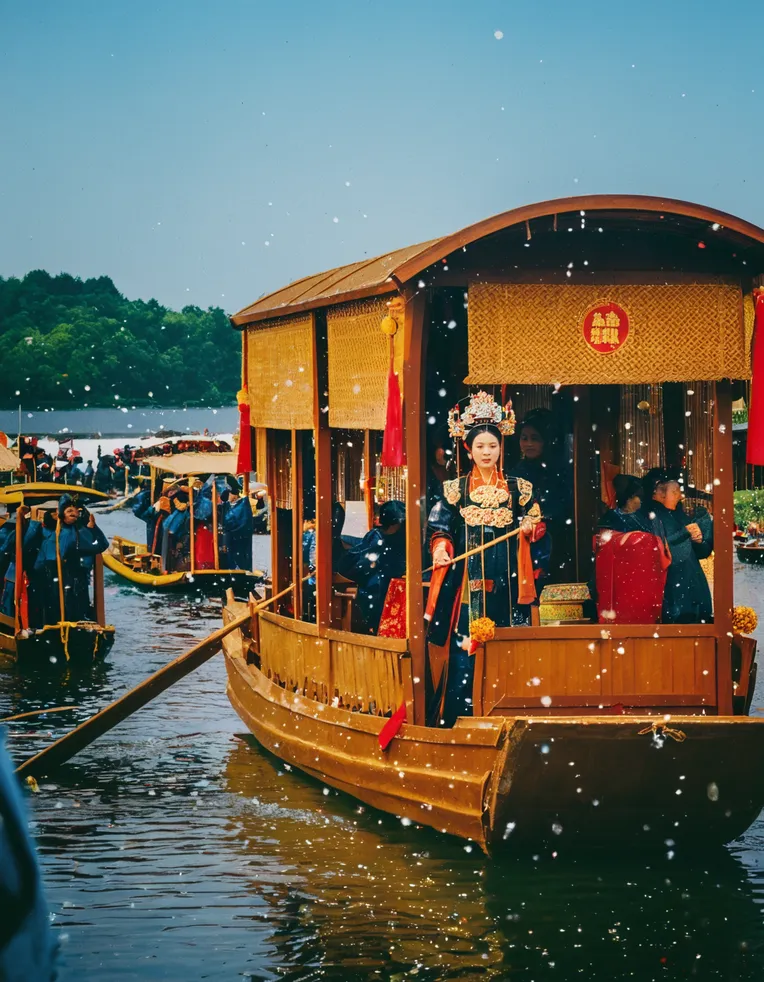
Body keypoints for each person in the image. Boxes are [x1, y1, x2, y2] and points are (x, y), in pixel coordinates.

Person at [426, 420, 545, 725]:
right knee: (467, 645)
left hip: (508, 580)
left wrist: (530, 529)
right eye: (480, 446)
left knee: (505, 643)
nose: (487, 452)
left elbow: (539, 524)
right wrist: (441, 549)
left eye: (493, 445)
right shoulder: (455, 490)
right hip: (469, 582)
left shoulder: (518, 488)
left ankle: (506, 712)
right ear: (468, 449)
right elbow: (439, 529)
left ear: (501, 448)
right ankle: (462, 716)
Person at [643, 469, 713, 624]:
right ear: (659, 494)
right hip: (673, 587)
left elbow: (701, 552)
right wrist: (684, 533)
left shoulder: (678, 514)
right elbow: (658, 547)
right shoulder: (651, 516)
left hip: (690, 583)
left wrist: (699, 540)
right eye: (674, 492)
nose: (679, 496)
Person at [26, 497, 109, 624]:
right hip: (50, 578)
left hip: (70, 579)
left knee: (69, 606)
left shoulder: (78, 533)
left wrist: (93, 528)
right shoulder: (47, 532)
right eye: (69, 510)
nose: (73, 513)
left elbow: (101, 545)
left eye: (75, 511)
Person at [512, 409, 573, 581]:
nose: (528, 444)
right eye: (524, 438)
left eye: (535, 438)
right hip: (521, 539)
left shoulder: (558, 471)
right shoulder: (515, 472)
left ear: (546, 441)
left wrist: (541, 520)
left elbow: (562, 506)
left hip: (554, 539)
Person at [337, 500, 407, 635]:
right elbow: (364, 564)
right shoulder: (378, 538)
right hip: (376, 586)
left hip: (385, 584)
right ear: (395, 523)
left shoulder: (388, 537)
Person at [221, 483, 254, 571]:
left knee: (240, 559)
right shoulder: (227, 505)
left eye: (229, 494)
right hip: (230, 538)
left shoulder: (243, 505)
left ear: (234, 495)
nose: (228, 496)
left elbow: (243, 522)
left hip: (240, 538)